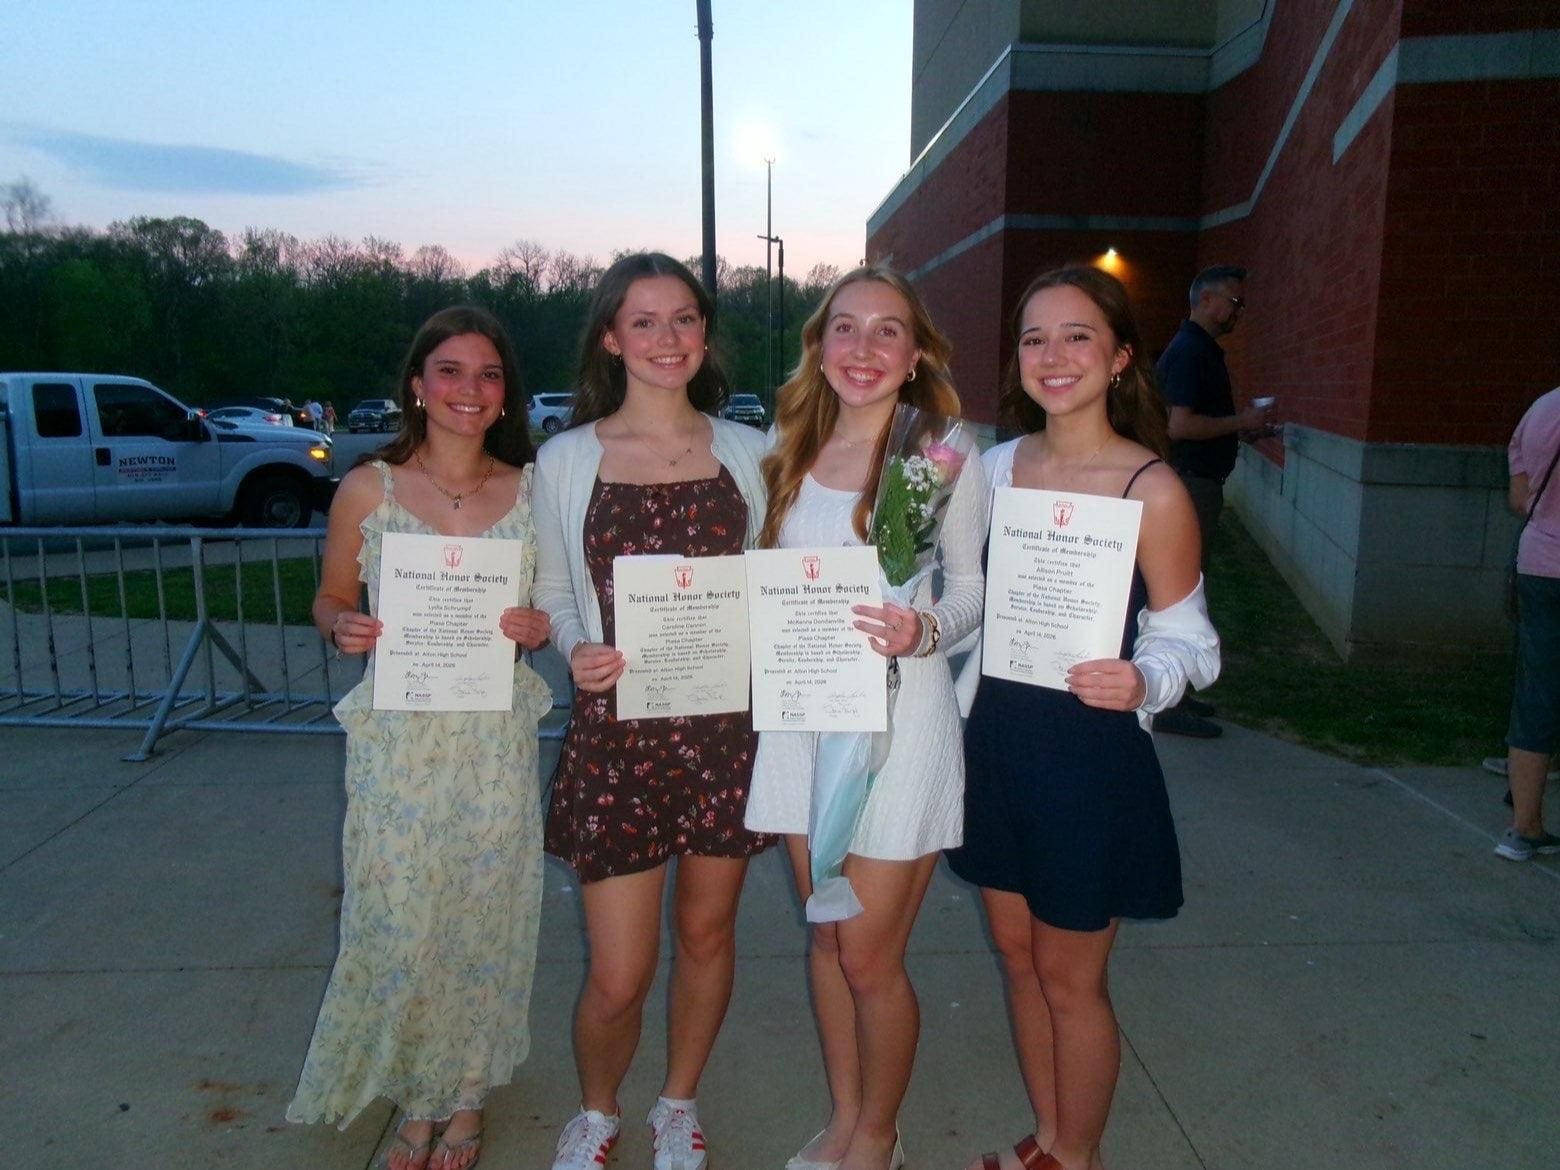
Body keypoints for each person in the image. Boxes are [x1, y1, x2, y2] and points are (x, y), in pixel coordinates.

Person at [947, 266, 1219, 1170]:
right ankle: (1051, 1137)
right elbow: (969, 599)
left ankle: (1079, 1157)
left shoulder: (1153, 489)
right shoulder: (990, 470)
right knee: (1018, 956)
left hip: (1088, 753)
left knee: (1072, 978)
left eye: (1076, 337)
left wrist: (1145, 681)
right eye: (1034, 338)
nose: (1053, 356)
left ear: (1119, 359)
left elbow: (1191, 639)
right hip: (997, 740)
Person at [287, 306, 554, 1170]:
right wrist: (343, 628)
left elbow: (555, 612)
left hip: (491, 739)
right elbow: (330, 597)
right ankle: (414, 1087)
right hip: (399, 741)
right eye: (449, 371)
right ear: (417, 384)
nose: (467, 391)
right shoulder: (369, 487)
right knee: (398, 916)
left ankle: (466, 1091)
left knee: (484, 911)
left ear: (503, 391)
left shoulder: (534, 489)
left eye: (486, 374)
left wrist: (535, 625)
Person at [532, 252, 772, 1170]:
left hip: (724, 735)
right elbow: (556, 589)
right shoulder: (565, 458)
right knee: (619, 972)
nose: (666, 338)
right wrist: (572, 648)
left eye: (683, 319)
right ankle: (597, 1113)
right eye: (644, 321)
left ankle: (678, 1102)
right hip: (619, 737)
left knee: (708, 936)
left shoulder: (752, 451)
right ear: (611, 337)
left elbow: (782, 577)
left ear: (704, 335)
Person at [744, 265, 986, 1170]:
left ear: (915, 351)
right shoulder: (785, 444)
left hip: (897, 722)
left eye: (889, 331)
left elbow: (969, 592)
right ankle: (845, 1117)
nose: (864, 348)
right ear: (820, 343)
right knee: (826, 934)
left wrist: (923, 629)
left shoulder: (940, 453)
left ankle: (879, 1137)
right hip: (804, 723)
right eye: (846, 328)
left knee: (869, 958)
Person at [1152, 264, 1270, 738]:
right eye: (1234, 302)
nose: (1239, 311)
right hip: (1188, 484)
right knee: (1176, 591)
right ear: (1205, 300)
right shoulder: (1188, 353)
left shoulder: (1200, 351)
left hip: (1199, 482)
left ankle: (1178, 687)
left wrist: (1245, 428)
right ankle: (1166, 701)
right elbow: (1178, 426)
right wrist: (1241, 421)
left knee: (1188, 589)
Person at [1493, 385, 1560, 861]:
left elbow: (1521, 499)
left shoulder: (1541, 408)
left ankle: (1524, 827)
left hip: (1541, 563)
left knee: (1536, 691)